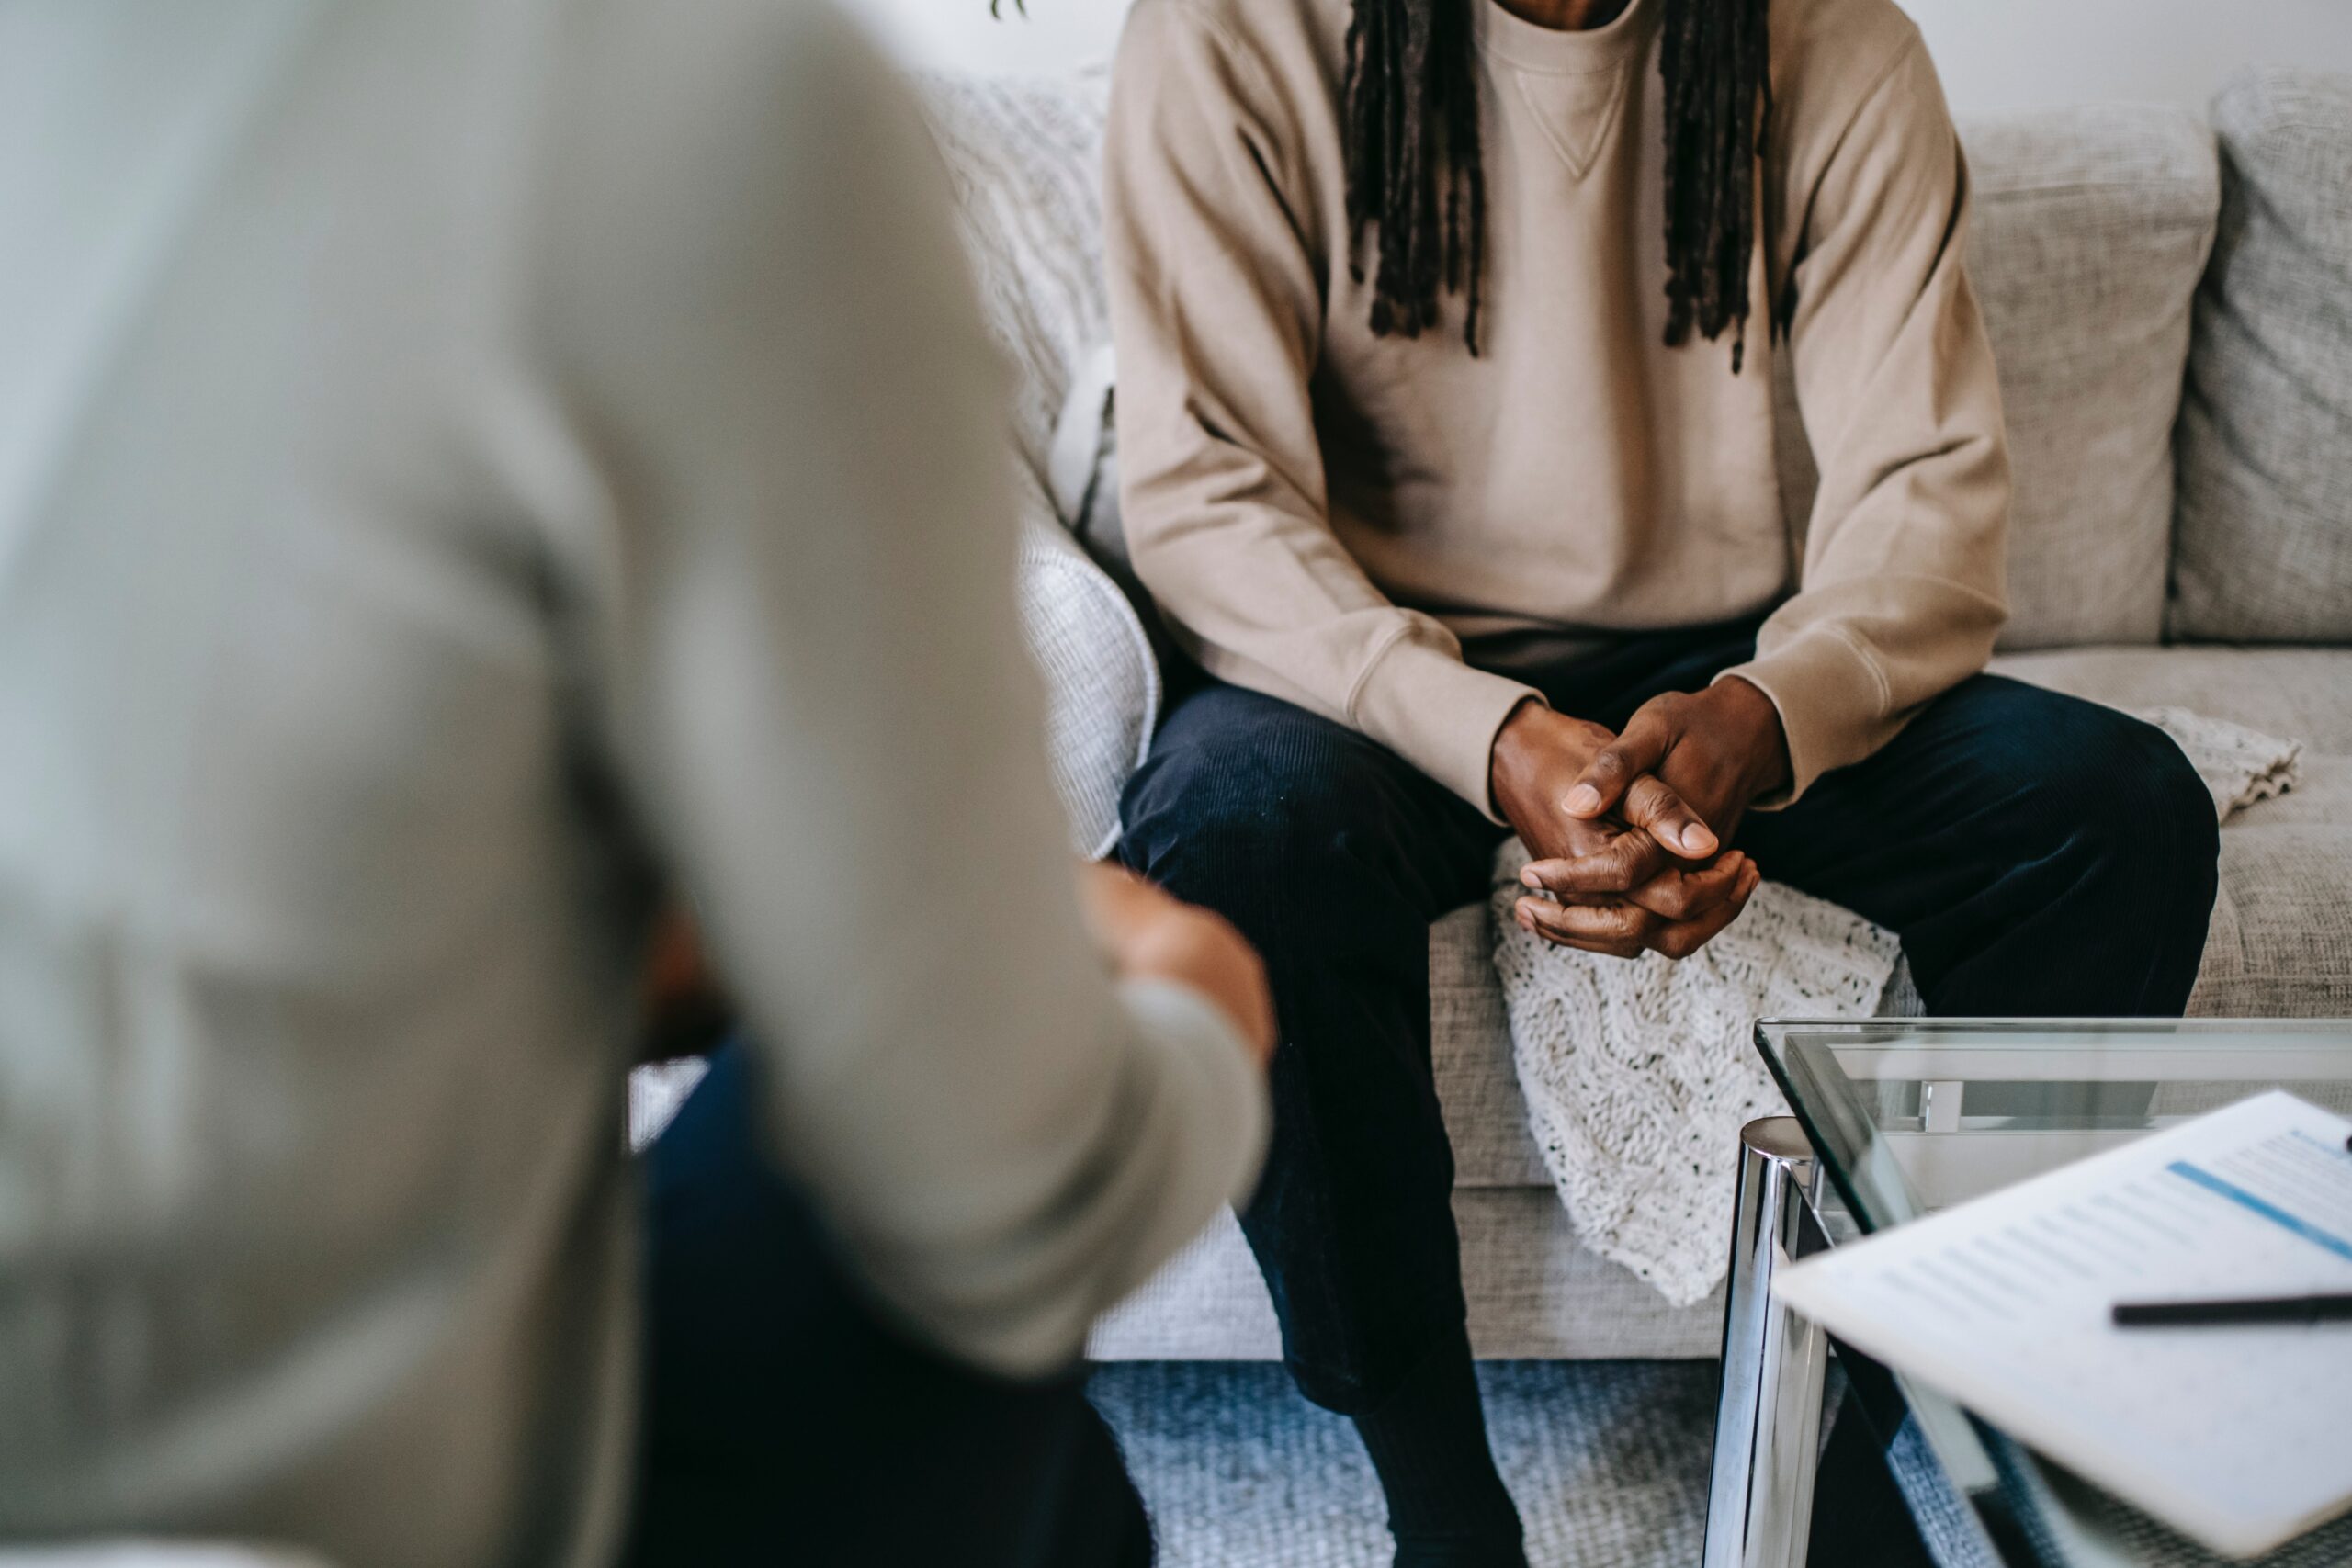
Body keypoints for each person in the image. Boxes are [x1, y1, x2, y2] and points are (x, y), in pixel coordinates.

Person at [0, 2, 1273, 1565]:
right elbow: (1008, 1200)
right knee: (939, 1262)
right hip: (313, 1508)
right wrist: (1197, 999)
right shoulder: (690, 104)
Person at [1101, 0, 2221, 1561]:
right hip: (1369, 665)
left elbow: (1928, 496)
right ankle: (1440, 1505)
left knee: (2123, 815)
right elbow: (1206, 487)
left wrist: (1767, 718)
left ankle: (1840, 1443)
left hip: (1719, 675)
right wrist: (1486, 734)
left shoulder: (1837, 46)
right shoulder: (1233, 33)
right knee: (1233, 839)